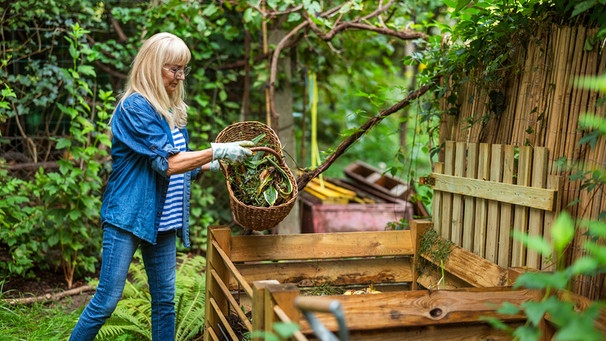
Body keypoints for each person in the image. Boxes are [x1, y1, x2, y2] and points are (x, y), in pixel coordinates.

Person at [69, 32, 253, 341]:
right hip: (128, 216)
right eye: (174, 69)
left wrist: (216, 163)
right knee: (106, 301)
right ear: (153, 67)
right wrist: (217, 150)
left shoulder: (172, 110)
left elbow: (180, 166)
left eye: (184, 69)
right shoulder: (135, 108)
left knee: (165, 302)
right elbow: (167, 163)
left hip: (163, 222)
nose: (181, 76)